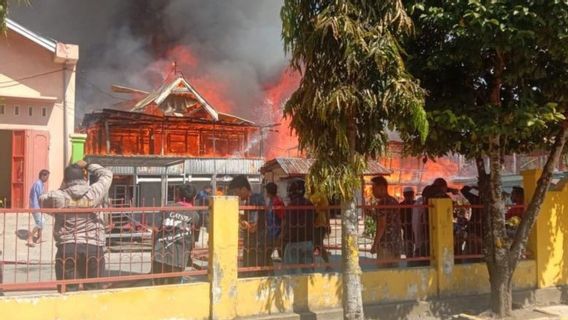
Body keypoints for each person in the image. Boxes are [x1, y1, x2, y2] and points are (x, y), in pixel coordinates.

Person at [40, 160, 112, 292]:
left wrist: (63, 187)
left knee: (68, 291)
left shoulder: (58, 197)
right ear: (84, 178)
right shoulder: (95, 192)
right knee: (94, 290)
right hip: (93, 246)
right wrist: (89, 165)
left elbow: (41, 200)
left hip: (67, 246)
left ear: (65, 180)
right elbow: (107, 174)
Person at [152, 183, 199, 285]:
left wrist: (153, 249)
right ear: (194, 197)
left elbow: (155, 230)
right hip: (179, 257)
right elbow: (192, 237)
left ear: (178, 194)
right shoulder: (194, 215)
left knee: (156, 287)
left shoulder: (167, 208)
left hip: (160, 254)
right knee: (174, 288)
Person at [228, 175, 271, 275]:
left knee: (254, 273)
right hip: (256, 243)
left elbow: (252, 227)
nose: (236, 195)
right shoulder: (251, 199)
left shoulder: (254, 200)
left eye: (236, 192)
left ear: (243, 189)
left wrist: (241, 223)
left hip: (256, 244)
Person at [279, 179, 315, 274]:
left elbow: (287, 223)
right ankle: (309, 289)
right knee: (308, 272)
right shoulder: (309, 204)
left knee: (291, 272)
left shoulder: (291, 205)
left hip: (293, 241)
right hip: (308, 240)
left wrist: (283, 237)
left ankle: (293, 289)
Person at [369, 176, 403, 267]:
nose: (372, 191)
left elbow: (382, 225)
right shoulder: (394, 201)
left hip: (385, 244)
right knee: (395, 275)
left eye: (373, 188)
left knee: (383, 274)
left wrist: (375, 244)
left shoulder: (382, 203)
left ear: (382, 188)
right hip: (396, 243)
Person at [309, 187, 331, 270]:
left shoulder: (321, 195)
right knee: (314, 245)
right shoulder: (308, 195)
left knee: (318, 245)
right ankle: (312, 265)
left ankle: (326, 264)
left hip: (320, 223)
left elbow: (327, 209)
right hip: (312, 224)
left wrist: (328, 223)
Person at [27, 169, 49, 247]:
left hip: (38, 206)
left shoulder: (41, 183)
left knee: (41, 221)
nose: (47, 179)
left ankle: (39, 238)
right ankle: (30, 238)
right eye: (47, 177)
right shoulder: (38, 184)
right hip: (35, 206)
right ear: (43, 176)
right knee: (40, 222)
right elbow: (41, 197)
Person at [265, 183, 284, 254]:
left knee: (268, 252)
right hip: (271, 232)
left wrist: (281, 234)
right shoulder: (271, 201)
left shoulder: (277, 202)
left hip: (276, 232)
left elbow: (283, 218)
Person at [400, 187, 416, 259]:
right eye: (408, 194)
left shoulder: (401, 205)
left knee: (410, 251)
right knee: (410, 251)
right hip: (410, 231)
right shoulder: (416, 204)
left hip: (410, 230)